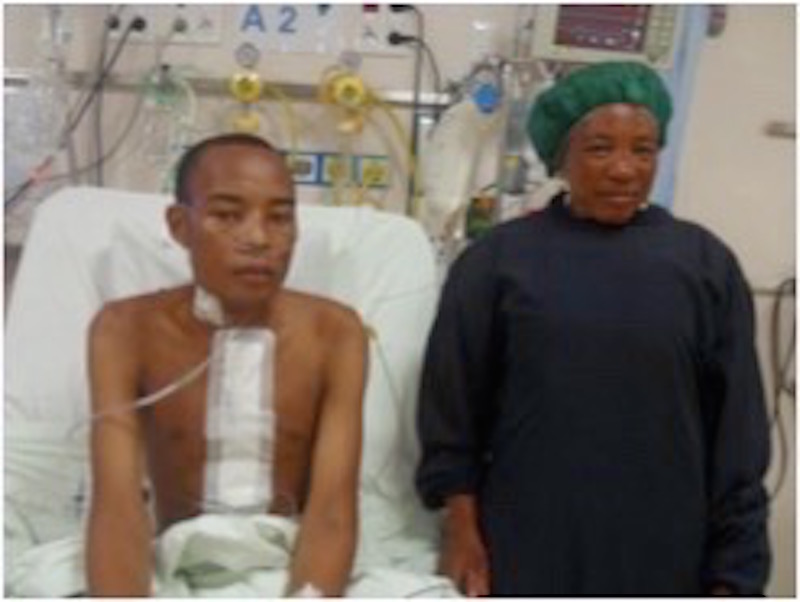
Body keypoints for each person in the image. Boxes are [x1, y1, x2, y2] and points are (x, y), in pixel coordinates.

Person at [416, 61, 771, 596]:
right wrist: (461, 531)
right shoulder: (498, 262)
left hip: (665, 550)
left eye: (643, 150)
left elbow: (737, 435)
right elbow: (452, 411)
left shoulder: (704, 265)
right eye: (601, 149)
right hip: (526, 541)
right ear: (561, 156)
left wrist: (734, 575)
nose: (624, 169)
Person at [85, 133, 368, 596]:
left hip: (294, 566)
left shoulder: (335, 334)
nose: (258, 238)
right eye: (227, 215)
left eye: (279, 218)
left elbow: (333, 510)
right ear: (180, 226)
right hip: (171, 567)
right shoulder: (123, 331)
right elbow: (117, 506)